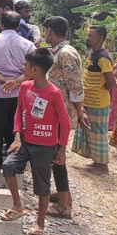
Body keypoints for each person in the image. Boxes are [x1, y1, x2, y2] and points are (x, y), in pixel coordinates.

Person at [0, 48, 70, 235]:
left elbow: (65, 123)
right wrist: (17, 137)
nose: (23, 67)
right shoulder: (25, 87)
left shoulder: (53, 93)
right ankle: (17, 205)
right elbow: (19, 112)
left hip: (45, 146)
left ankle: (40, 222)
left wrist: (61, 149)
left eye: (25, 65)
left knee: (42, 185)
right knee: (8, 166)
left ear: (36, 69)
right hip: (25, 143)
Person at [43, 16, 89, 218]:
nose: (44, 34)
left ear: (50, 31)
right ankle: (64, 195)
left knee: (57, 157)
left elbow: (75, 86)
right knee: (55, 156)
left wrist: (80, 112)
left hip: (61, 113)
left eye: (45, 31)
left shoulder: (66, 54)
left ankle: (63, 206)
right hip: (56, 111)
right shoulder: (59, 52)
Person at [0, 11, 35, 173]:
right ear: (18, 26)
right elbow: (32, 71)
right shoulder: (28, 45)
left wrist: (4, 81)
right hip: (19, 95)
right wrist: (15, 82)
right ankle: (15, 166)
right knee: (16, 130)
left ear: (1, 24)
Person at [72, 25, 116, 174]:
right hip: (89, 100)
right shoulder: (93, 53)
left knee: (99, 133)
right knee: (92, 132)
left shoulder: (103, 57)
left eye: (91, 36)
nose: (87, 38)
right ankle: (97, 162)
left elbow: (111, 82)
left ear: (100, 38)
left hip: (98, 102)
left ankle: (103, 166)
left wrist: (98, 89)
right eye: (88, 35)